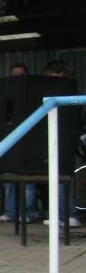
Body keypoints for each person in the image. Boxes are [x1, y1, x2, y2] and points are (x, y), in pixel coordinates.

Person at [0, 63, 39, 223]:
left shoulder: (33, 94)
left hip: (29, 142)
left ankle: (28, 213)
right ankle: (10, 212)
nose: (17, 79)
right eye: (14, 76)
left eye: (20, 76)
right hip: (11, 141)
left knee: (28, 181)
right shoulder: (5, 95)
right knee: (8, 178)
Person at [42, 59, 81, 228]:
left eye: (56, 73)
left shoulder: (69, 93)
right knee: (57, 178)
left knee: (64, 177)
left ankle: (69, 214)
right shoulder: (49, 93)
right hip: (55, 138)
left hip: (65, 139)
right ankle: (60, 214)